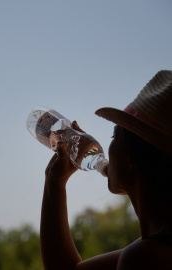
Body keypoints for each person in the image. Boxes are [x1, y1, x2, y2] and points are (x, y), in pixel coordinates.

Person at [40, 70, 172, 270]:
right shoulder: (157, 243)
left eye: (114, 138)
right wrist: (54, 181)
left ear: (130, 159)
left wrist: (54, 182)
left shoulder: (146, 257)